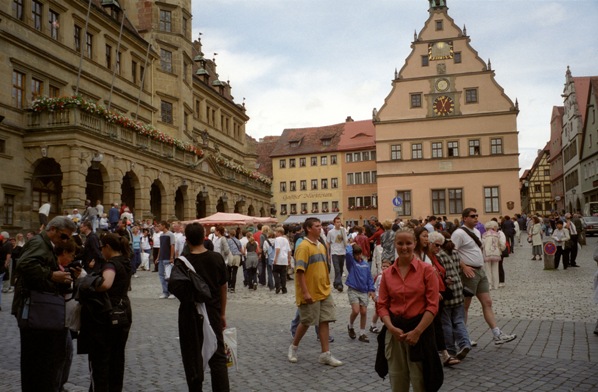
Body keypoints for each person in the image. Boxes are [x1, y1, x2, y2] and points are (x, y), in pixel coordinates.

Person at [11, 216, 77, 391]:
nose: (65, 241)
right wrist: (51, 275)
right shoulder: (39, 243)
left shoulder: (47, 245)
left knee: (40, 363)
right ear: (52, 229)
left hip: (39, 309)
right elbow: (24, 265)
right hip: (33, 309)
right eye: (63, 236)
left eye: (68, 238)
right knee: (36, 363)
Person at [376, 228, 442, 391]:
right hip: (395, 333)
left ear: (414, 244)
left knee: (421, 382)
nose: (404, 247)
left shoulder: (426, 270)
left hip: (420, 332)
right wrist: (391, 328)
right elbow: (382, 305)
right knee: (398, 380)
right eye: (400, 243)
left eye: (408, 243)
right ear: (395, 244)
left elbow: (432, 305)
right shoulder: (388, 274)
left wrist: (417, 332)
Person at [451, 208, 517, 345]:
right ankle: (463, 337)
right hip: (468, 273)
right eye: (472, 216)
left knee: (487, 302)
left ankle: (497, 334)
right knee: (465, 306)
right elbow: (452, 253)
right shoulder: (458, 233)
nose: (476, 218)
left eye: (476, 215)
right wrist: (463, 267)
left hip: (480, 271)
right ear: (464, 218)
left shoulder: (476, 231)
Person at [176, 223, 229, 392]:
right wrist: (222, 313)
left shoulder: (182, 263)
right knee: (218, 356)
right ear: (204, 237)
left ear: (187, 239)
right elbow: (223, 287)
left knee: (192, 356)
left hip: (189, 314)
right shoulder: (216, 258)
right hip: (212, 311)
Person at [79, 233, 132, 391]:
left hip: (107, 316)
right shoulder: (125, 261)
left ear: (108, 247)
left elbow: (105, 284)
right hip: (123, 313)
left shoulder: (111, 264)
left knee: (101, 362)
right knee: (117, 360)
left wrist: (85, 282)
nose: (101, 250)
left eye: (102, 247)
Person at [288, 217, 342, 366]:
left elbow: (324, 268)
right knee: (306, 322)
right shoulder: (303, 247)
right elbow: (299, 272)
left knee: (325, 320)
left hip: (323, 290)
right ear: (309, 229)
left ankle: (325, 354)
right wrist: (305, 292)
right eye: (317, 226)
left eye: (320, 226)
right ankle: (293, 347)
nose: (320, 228)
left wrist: (327, 285)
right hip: (310, 291)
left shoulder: (321, 245)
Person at [435, 231, 471, 360]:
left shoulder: (439, 256)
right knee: (459, 320)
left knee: (446, 323)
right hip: (458, 291)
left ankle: (450, 349)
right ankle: (465, 343)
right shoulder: (456, 253)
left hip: (448, 292)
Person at [345, 244, 375, 343]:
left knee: (364, 312)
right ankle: (350, 326)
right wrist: (350, 245)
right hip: (353, 290)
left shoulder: (366, 264)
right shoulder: (351, 263)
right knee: (356, 310)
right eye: (356, 254)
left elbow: (369, 277)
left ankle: (362, 333)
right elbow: (348, 254)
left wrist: (371, 289)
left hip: (364, 291)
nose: (358, 256)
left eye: (360, 254)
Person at [481, 221, 506, 290]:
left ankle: (489, 285)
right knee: (495, 270)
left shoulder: (484, 235)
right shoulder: (497, 234)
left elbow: (482, 244)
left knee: (488, 270)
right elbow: (502, 244)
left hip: (487, 254)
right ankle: (496, 285)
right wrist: (500, 250)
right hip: (496, 253)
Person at [369, 259, 391, 334]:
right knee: (378, 312)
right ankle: (373, 325)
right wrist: (373, 295)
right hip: (378, 298)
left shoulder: (390, 276)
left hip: (386, 298)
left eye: (387, 266)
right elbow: (374, 286)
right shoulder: (379, 277)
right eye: (383, 266)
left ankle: (385, 326)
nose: (385, 268)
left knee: (384, 312)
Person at [326, 217, 348, 292]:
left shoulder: (343, 230)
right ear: (334, 223)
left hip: (343, 252)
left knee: (341, 269)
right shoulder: (330, 232)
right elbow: (328, 243)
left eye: (339, 222)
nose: (339, 223)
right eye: (337, 222)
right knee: (337, 269)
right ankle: (339, 285)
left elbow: (346, 240)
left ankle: (336, 282)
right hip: (334, 252)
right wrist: (328, 254)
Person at [155, 221, 175, 299]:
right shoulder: (161, 235)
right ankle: (165, 292)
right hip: (161, 258)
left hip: (167, 257)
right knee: (161, 275)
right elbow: (161, 247)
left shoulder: (170, 235)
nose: (159, 227)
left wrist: (171, 257)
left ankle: (171, 292)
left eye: (160, 226)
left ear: (164, 226)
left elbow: (172, 246)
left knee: (168, 276)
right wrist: (158, 257)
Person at [273, 226, 291, 294]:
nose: (275, 233)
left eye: (276, 232)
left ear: (279, 232)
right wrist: (289, 259)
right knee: (283, 274)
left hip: (279, 258)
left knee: (275, 272)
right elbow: (289, 250)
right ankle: (284, 288)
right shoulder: (286, 240)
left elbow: (277, 249)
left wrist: (275, 258)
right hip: (284, 259)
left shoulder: (277, 239)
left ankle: (278, 286)